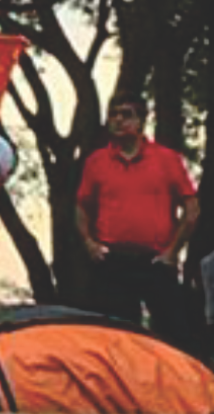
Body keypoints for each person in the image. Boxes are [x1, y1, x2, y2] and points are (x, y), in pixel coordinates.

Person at [74, 94, 206, 352]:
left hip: (155, 260)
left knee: (174, 334)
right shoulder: (97, 162)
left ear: (142, 121)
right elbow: (81, 206)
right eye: (114, 114)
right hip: (113, 258)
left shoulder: (167, 159)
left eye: (127, 114)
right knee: (116, 337)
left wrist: (172, 251)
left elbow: (192, 208)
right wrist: (89, 243)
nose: (119, 120)